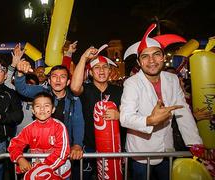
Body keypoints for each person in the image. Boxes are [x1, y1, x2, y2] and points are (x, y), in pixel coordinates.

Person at [120, 23, 203, 180]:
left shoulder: (172, 79)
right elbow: (125, 118)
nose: (151, 60)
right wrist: (150, 120)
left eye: (156, 54)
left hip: (167, 149)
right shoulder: (132, 83)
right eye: (145, 56)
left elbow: (182, 111)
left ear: (164, 57)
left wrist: (194, 142)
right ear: (139, 62)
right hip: (141, 153)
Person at [70, 46, 124, 179]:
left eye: (105, 67)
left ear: (110, 71)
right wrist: (83, 57)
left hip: (111, 148)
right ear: (91, 72)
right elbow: (75, 87)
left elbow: (130, 114)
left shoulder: (119, 91)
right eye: (97, 68)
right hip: (88, 146)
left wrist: (120, 115)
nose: (101, 70)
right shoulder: (86, 89)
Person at [8, 92, 71, 179]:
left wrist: (42, 167)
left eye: (46, 106)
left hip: (60, 172)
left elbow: (62, 152)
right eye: (38, 106)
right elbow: (14, 145)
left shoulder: (59, 127)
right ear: (33, 111)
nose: (42, 109)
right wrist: (20, 159)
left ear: (53, 109)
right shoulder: (29, 129)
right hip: (38, 174)